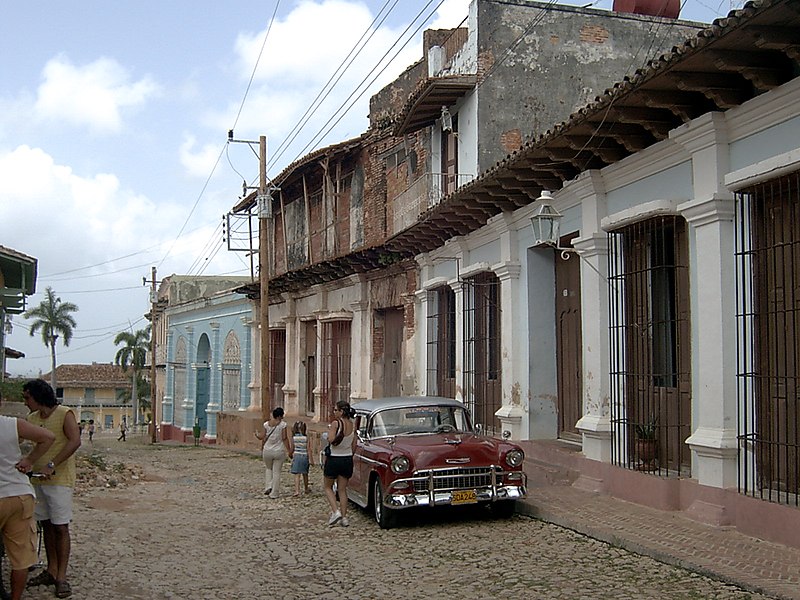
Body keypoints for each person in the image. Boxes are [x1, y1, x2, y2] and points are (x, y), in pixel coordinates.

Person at [23, 379, 81, 599]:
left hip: (59, 480)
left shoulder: (64, 414)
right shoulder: (32, 419)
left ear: (38, 396)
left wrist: (52, 464)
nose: (26, 402)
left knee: (60, 527)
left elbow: (74, 441)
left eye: (28, 397)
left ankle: (62, 576)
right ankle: (51, 569)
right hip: (37, 480)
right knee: (46, 525)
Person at [0, 394, 55, 600]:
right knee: (21, 559)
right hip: (17, 494)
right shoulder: (12, 425)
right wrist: (29, 460)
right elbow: (48, 437)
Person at [323, 400, 356, 527]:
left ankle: (335, 511)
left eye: (336, 410)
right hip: (347, 458)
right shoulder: (352, 425)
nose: (334, 412)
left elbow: (331, 439)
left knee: (327, 487)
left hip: (334, 458)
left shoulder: (336, 423)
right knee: (342, 489)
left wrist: (328, 434)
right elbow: (354, 444)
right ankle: (344, 517)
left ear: (341, 411)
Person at [254, 407, 292, 499]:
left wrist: (256, 435)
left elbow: (262, 436)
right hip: (279, 450)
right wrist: (289, 450)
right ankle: (275, 492)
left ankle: (268, 486)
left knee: (268, 469)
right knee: (277, 472)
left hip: (267, 450)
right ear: (280, 416)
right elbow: (284, 438)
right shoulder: (283, 425)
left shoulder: (266, 424)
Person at [289, 421, 310, 496]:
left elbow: (292, 448)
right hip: (304, 456)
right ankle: (306, 488)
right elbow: (308, 449)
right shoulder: (306, 438)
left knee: (297, 474)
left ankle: (297, 490)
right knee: (305, 473)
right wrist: (311, 459)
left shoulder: (294, 438)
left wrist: (290, 454)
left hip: (297, 456)